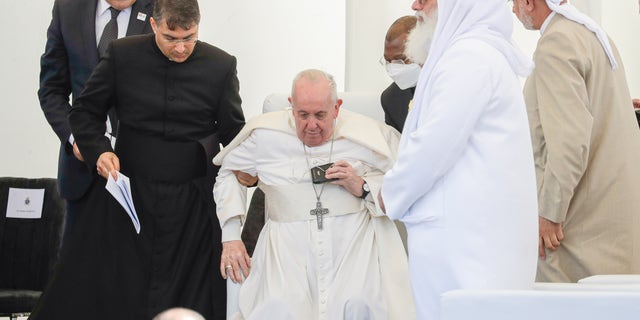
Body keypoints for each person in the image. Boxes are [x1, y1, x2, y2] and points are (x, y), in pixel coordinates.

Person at [29, 0, 245, 319]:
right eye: (172, 38)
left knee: (189, 297)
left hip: (191, 208)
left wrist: (249, 168)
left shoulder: (221, 65)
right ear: (155, 25)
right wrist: (98, 149)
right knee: (105, 292)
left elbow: (234, 133)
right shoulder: (122, 54)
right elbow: (86, 111)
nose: (182, 47)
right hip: (126, 199)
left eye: (190, 37)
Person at [213, 69, 415, 320]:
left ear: (337, 107)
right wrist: (231, 236)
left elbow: (411, 182)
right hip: (286, 251)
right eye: (302, 115)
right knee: (279, 306)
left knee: (360, 302)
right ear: (291, 107)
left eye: (321, 115)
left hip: (353, 248)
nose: (311, 126)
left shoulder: (371, 136)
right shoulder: (264, 136)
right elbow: (228, 173)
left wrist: (362, 185)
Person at [380, 0, 539, 319]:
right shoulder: (473, 54)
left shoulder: (469, 57)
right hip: (470, 247)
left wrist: (389, 192)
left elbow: (434, 146)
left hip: (468, 255)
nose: (415, 6)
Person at [512, 0, 640, 282]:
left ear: (529, 3)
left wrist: (549, 213)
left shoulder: (556, 43)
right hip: (611, 212)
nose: (512, 10)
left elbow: (569, 142)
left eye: (513, 2)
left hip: (582, 223)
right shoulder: (591, 33)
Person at [38, 0, 155, 244]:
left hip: (142, 177)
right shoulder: (68, 8)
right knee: (77, 276)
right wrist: (76, 138)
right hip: (82, 175)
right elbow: (51, 89)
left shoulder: (160, 8)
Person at [380, 15, 419, 132]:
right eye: (388, 60)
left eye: (400, 59)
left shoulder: (449, 86)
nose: (393, 66)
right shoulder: (390, 99)